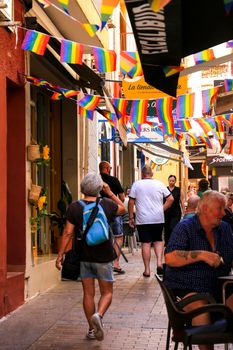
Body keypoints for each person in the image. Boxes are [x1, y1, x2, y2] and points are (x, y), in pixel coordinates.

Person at [56, 172, 125, 341]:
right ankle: (99, 316)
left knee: (88, 294)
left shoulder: (74, 207)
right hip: (104, 257)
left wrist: (60, 255)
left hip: (84, 256)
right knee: (107, 293)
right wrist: (109, 193)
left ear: (82, 188)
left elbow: (67, 233)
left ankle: (91, 329)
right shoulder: (107, 204)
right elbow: (123, 208)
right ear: (99, 188)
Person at [164, 190, 233, 350]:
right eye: (220, 208)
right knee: (201, 305)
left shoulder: (225, 229)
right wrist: (202, 255)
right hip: (188, 289)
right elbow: (170, 258)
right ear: (205, 209)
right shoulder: (185, 228)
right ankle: (196, 333)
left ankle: (218, 327)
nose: (224, 213)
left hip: (219, 288)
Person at [128, 165, 174, 277]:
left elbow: (131, 202)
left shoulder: (137, 184)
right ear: (152, 174)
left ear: (142, 174)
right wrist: (161, 209)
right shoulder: (159, 184)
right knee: (158, 241)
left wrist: (130, 217)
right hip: (158, 218)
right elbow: (171, 199)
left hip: (143, 219)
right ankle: (159, 263)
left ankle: (147, 270)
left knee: (146, 243)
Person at [99, 161, 126, 274]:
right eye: (109, 167)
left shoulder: (96, 180)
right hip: (114, 212)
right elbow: (122, 198)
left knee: (102, 237)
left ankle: (103, 263)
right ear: (107, 168)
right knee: (118, 236)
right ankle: (115, 263)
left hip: (99, 212)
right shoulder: (114, 180)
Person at [164, 175, 185, 246]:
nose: (171, 182)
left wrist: (184, 212)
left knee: (173, 227)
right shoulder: (165, 189)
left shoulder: (178, 190)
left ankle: (174, 242)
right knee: (166, 228)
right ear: (168, 181)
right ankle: (167, 243)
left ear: (175, 181)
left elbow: (182, 201)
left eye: (173, 181)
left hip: (176, 212)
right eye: (170, 180)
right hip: (166, 212)